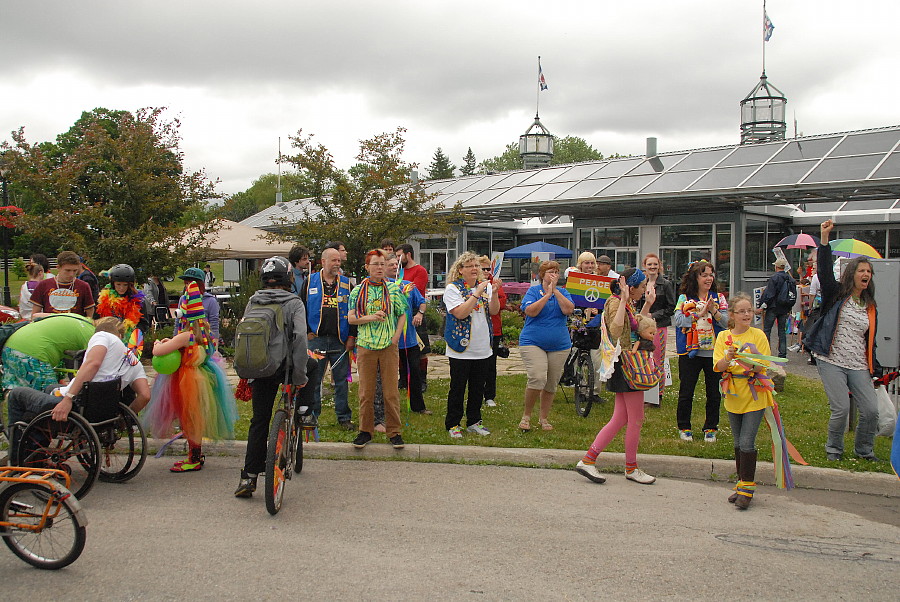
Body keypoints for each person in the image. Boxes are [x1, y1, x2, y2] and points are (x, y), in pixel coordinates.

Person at [6, 317, 150, 463]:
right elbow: (145, 396)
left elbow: (93, 364)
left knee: (17, 395)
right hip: (100, 411)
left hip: (75, 405)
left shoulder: (102, 336)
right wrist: (122, 420)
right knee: (50, 388)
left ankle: (18, 458)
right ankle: (35, 453)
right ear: (121, 334)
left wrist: (68, 398)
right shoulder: (133, 360)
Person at [235, 256, 316, 498]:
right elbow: (300, 339)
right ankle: (304, 411)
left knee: (259, 421)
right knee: (313, 366)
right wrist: (300, 376)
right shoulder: (294, 303)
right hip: (286, 368)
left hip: (260, 369)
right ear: (289, 278)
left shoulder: (253, 301)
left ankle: (248, 477)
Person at [805, 219, 882, 461]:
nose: (866, 274)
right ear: (852, 274)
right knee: (841, 409)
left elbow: (870, 340)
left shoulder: (870, 306)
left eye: (869, 272)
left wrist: (875, 368)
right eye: (862, 270)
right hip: (831, 359)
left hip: (858, 364)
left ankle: (864, 451)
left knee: (871, 411)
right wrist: (824, 240)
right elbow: (825, 271)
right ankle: (834, 451)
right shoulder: (837, 294)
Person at [575, 268, 657, 485]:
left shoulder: (626, 302)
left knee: (620, 418)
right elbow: (616, 329)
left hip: (624, 364)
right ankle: (631, 467)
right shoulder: (614, 302)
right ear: (630, 288)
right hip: (625, 365)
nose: (643, 290)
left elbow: (637, 327)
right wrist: (623, 301)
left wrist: (646, 304)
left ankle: (588, 459)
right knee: (636, 418)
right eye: (641, 287)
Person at [144, 281, 237, 472]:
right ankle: (195, 454)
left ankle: (194, 458)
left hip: (187, 382)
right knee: (193, 419)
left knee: (189, 419)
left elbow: (160, 351)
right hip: (200, 378)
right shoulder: (203, 334)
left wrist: (157, 344)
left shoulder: (186, 335)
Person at [713, 293, 776, 510]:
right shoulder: (723, 338)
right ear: (731, 315)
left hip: (754, 395)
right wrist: (729, 358)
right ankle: (741, 485)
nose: (747, 314)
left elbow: (763, 366)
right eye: (742, 311)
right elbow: (719, 367)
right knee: (738, 443)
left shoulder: (758, 336)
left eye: (749, 310)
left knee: (748, 442)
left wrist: (747, 359)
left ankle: (747, 489)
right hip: (733, 395)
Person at [347, 249, 407, 449]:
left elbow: (402, 314)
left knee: (391, 392)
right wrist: (371, 317)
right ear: (367, 267)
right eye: (376, 264)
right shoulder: (357, 291)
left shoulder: (393, 289)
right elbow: (351, 318)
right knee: (366, 392)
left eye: (382, 264)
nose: (380, 268)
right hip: (365, 345)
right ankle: (365, 431)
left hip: (388, 345)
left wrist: (396, 335)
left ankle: (394, 432)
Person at [443, 252, 501, 439]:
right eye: (470, 266)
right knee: (458, 387)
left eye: (476, 266)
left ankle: (474, 421)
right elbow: (460, 313)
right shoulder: (453, 289)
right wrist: (476, 294)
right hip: (461, 347)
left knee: (478, 387)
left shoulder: (485, 287)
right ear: (460, 270)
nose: (475, 269)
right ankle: (453, 423)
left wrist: (494, 293)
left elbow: (494, 311)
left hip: (482, 346)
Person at [300, 247, 356, 430]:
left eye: (339, 260)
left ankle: (344, 418)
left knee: (341, 381)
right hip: (317, 339)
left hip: (340, 340)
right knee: (314, 381)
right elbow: (300, 308)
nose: (337, 264)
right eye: (334, 260)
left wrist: (351, 337)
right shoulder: (309, 282)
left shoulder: (348, 284)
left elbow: (354, 312)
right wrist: (307, 331)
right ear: (323, 262)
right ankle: (312, 416)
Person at [673, 261, 729, 442]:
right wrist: (698, 313)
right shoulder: (685, 298)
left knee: (714, 393)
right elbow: (679, 321)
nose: (708, 278)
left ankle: (711, 427)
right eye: (704, 275)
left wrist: (714, 312)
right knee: (686, 391)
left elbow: (728, 324)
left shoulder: (718, 298)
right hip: (691, 352)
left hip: (714, 353)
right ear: (695, 278)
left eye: (711, 275)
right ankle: (684, 426)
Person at [517, 260, 573, 432]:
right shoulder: (533, 291)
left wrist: (555, 291)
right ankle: (526, 415)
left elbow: (568, 310)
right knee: (537, 377)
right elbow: (531, 311)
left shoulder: (563, 292)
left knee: (550, 383)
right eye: (550, 271)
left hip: (559, 344)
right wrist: (547, 295)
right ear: (542, 274)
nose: (553, 274)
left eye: (556, 271)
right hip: (533, 342)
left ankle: (544, 417)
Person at [1, 313, 95, 392]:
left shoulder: (79, 318)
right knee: (49, 396)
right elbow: (95, 364)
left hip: (11, 346)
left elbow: (36, 315)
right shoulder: (92, 333)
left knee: (20, 396)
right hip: (33, 353)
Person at [641, 253, 676, 402]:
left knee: (657, 360)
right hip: (642, 327)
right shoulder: (642, 283)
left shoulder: (666, 284)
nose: (652, 267)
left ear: (659, 266)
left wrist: (653, 315)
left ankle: (657, 394)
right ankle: (644, 391)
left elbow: (671, 307)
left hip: (659, 327)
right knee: (643, 359)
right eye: (650, 265)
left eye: (655, 264)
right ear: (645, 266)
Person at [396, 243, 431, 390]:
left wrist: (419, 314)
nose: (398, 259)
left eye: (399, 256)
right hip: (402, 312)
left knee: (420, 348)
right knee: (402, 347)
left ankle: (421, 380)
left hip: (416, 310)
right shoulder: (400, 271)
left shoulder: (420, 270)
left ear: (408, 255)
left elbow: (414, 290)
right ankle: (404, 379)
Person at [96, 264, 150, 345]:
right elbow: (97, 319)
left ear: (130, 285)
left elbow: (144, 323)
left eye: (125, 285)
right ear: (113, 283)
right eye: (118, 284)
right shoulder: (104, 298)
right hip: (108, 339)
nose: (121, 288)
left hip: (130, 342)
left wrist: (134, 336)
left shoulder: (138, 300)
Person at [30, 251, 96, 318]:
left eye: (75, 271)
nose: (71, 274)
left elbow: (89, 311)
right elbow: (35, 313)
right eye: (68, 270)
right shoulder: (43, 285)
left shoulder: (83, 286)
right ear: (58, 268)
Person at [479, 255, 507, 407]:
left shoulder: (495, 283)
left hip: (493, 330)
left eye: (487, 269)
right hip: (475, 330)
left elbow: (501, 303)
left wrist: (493, 295)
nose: (484, 271)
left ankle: (489, 395)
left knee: (491, 364)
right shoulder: (472, 283)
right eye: (482, 268)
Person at [755, 257, 795, 359]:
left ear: (776, 266)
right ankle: (782, 354)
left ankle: (766, 352)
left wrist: (762, 306)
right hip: (784, 307)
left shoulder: (774, 278)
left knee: (767, 330)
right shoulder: (790, 279)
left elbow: (770, 294)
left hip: (773, 307)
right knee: (782, 332)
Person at [176, 267, 220, 345]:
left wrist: (214, 346)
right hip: (185, 341)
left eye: (191, 283)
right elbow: (178, 323)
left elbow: (214, 324)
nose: (188, 286)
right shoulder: (183, 299)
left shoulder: (211, 301)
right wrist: (175, 340)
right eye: (186, 283)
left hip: (203, 342)